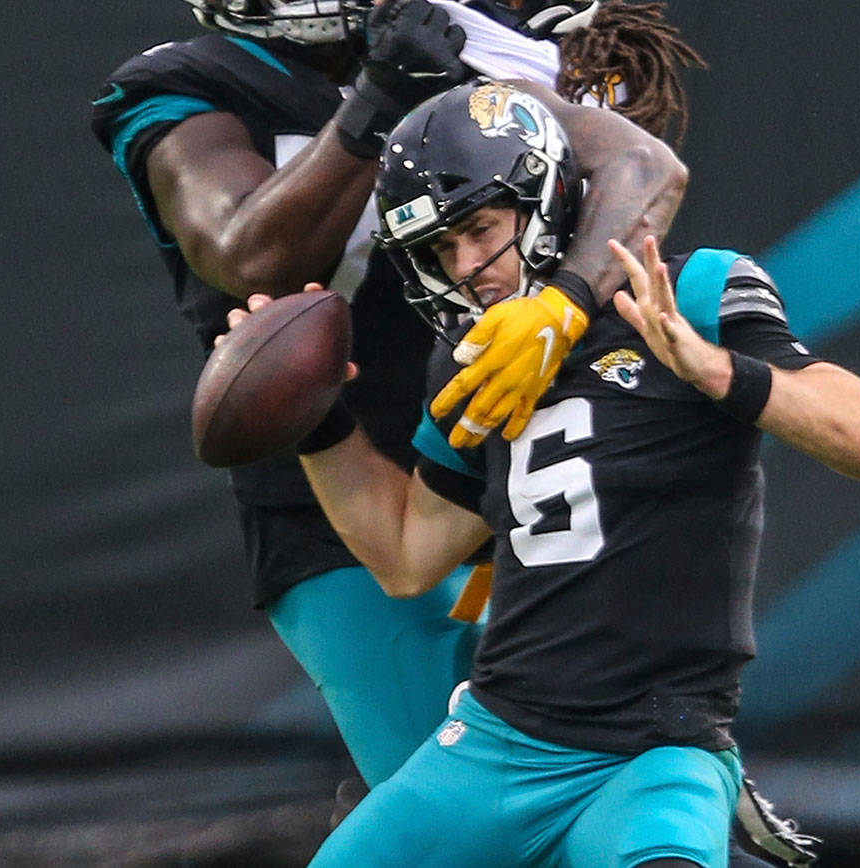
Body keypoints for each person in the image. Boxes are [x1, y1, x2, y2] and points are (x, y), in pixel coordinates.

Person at [94, 3, 814, 862]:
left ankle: (677, 773)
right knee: (474, 810)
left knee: (564, 758)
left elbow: (644, 169)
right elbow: (245, 255)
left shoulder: (449, 44)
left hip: (507, 455)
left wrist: (561, 304)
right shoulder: (186, 87)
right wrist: (376, 103)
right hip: (340, 493)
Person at [280, 80, 860, 866]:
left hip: (655, 749)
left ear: (543, 197)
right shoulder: (470, 358)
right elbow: (408, 559)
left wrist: (713, 371)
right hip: (500, 746)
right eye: (442, 250)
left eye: (478, 229)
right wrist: (314, 419)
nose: (467, 267)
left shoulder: (691, 291)